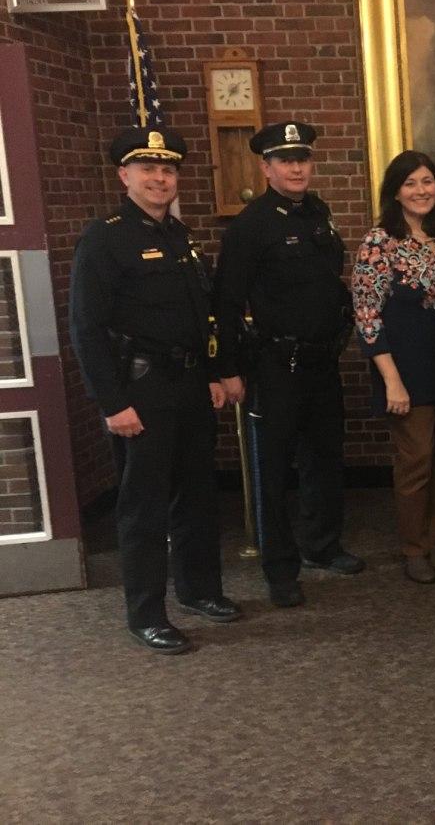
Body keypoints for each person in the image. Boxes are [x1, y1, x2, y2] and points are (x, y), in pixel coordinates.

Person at [69, 127, 241, 654]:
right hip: (140, 389)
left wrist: (213, 372)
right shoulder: (106, 237)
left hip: (188, 383)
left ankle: (199, 590)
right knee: (143, 507)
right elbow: (86, 327)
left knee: (196, 495)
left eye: (167, 169)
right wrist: (112, 402)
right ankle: (145, 613)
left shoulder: (180, 236)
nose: (159, 177)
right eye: (147, 169)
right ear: (125, 176)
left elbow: (200, 316)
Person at [215, 121, 364, 610]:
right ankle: (280, 568)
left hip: (321, 361)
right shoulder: (252, 226)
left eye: (302, 158)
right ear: (266, 167)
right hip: (275, 364)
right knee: (273, 470)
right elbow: (227, 302)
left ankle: (322, 546)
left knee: (324, 460)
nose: (296, 167)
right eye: (284, 160)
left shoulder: (317, 213)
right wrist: (230, 368)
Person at [352, 151, 435, 585]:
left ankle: (431, 541)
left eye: (428, 181)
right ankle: (413, 548)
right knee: (415, 459)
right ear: (395, 190)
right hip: (405, 371)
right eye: (411, 183)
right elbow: (367, 315)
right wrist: (392, 380)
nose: (421, 190)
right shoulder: (379, 242)